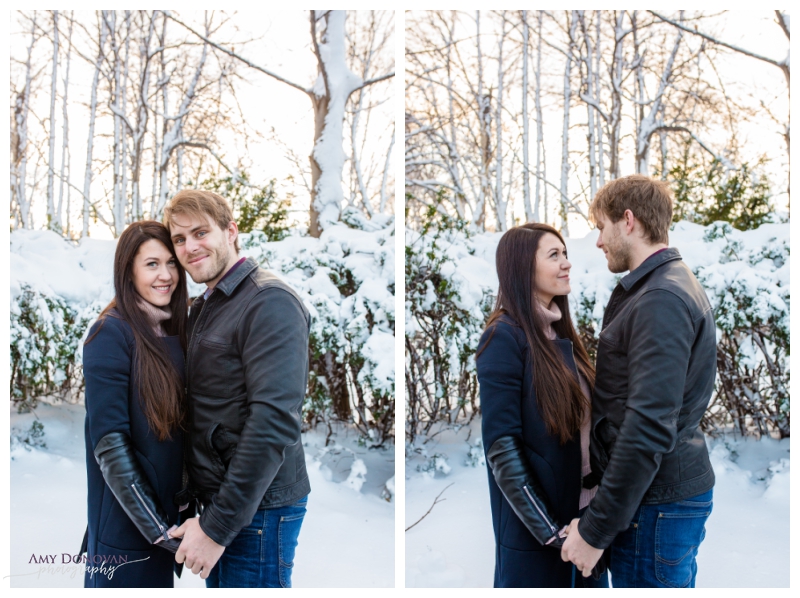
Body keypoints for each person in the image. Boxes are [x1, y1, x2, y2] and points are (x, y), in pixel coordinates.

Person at [561, 175, 716, 588]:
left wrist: (595, 530)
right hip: (656, 498)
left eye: (600, 226)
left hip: (655, 504)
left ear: (627, 220)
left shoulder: (660, 298)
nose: (597, 241)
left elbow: (647, 424)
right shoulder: (659, 286)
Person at [163, 189, 311, 588]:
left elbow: (273, 423)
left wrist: (216, 527)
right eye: (179, 239)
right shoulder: (209, 304)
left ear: (231, 231)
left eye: (200, 233)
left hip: (257, 510)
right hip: (227, 505)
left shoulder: (268, 301)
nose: (190, 247)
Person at [476, 222, 608, 588]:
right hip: (542, 534)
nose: (566, 263)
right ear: (522, 266)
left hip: (585, 525)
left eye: (565, 254)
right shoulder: (502, 337)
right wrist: (552, 532)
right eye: (554, 255)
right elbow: (501, 448)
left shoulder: (560, 332)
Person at [83, 221, 189, 588]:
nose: (166, 275)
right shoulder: (109, 333)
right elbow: (109, 445)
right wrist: (157, 529)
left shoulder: (174, 330)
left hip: (163, 528)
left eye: (172, 263)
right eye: (152, 264)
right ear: (127, 271)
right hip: (127, 532)